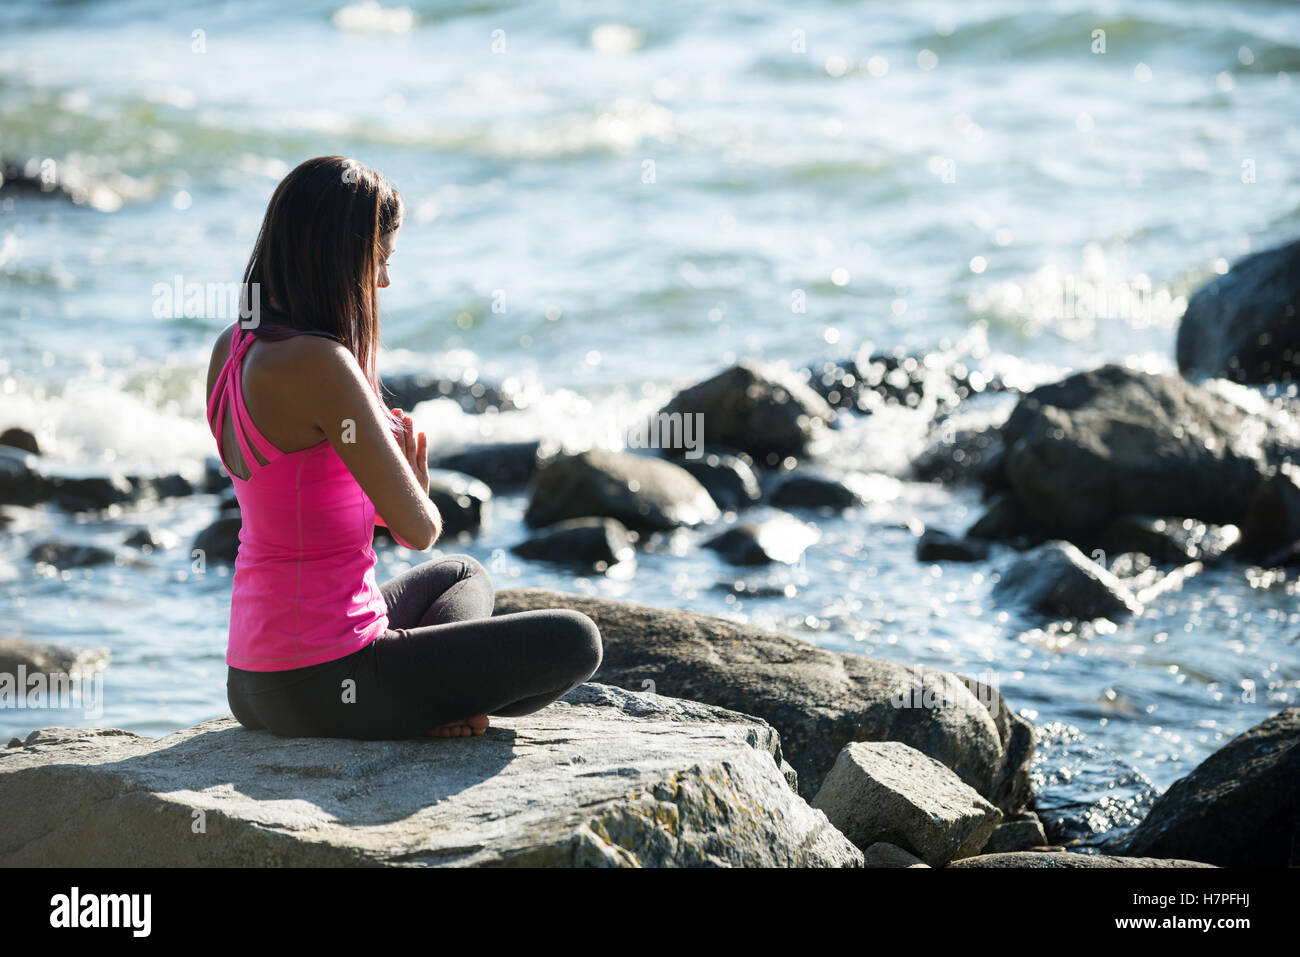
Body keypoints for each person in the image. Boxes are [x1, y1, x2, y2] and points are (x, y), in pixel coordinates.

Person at [205, 155, 602, 740]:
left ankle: (432, 695)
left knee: (462, 575)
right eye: (380, 260)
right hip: (325, 681)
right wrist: (413, 480)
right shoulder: (324, 364)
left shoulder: (230, 346)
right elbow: (419, 530)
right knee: (577, 640)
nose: (384, 281)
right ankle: (432, 701)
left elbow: (296, 492)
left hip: (253, 679)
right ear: (339, 255)